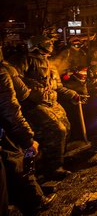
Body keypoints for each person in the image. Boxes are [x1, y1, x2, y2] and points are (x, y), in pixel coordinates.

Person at [0, 48, 56, 214]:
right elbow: (10, 109)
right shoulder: (3, 72)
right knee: (19, 162)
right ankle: (36, 201)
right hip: (7, 130)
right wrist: (28, 139)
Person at [18, 36, 81, 179]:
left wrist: (73, 94)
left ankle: (59, 158)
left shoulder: (50, 64)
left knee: (67, 126)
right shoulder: (25, 60)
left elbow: (58, 87)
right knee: (57, 129)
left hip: (52, 102)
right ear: (38, 44)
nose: (51, 44)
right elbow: (16, 81)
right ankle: (52, 168)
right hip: (35, 104)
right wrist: (31, 92)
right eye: (48, 41)